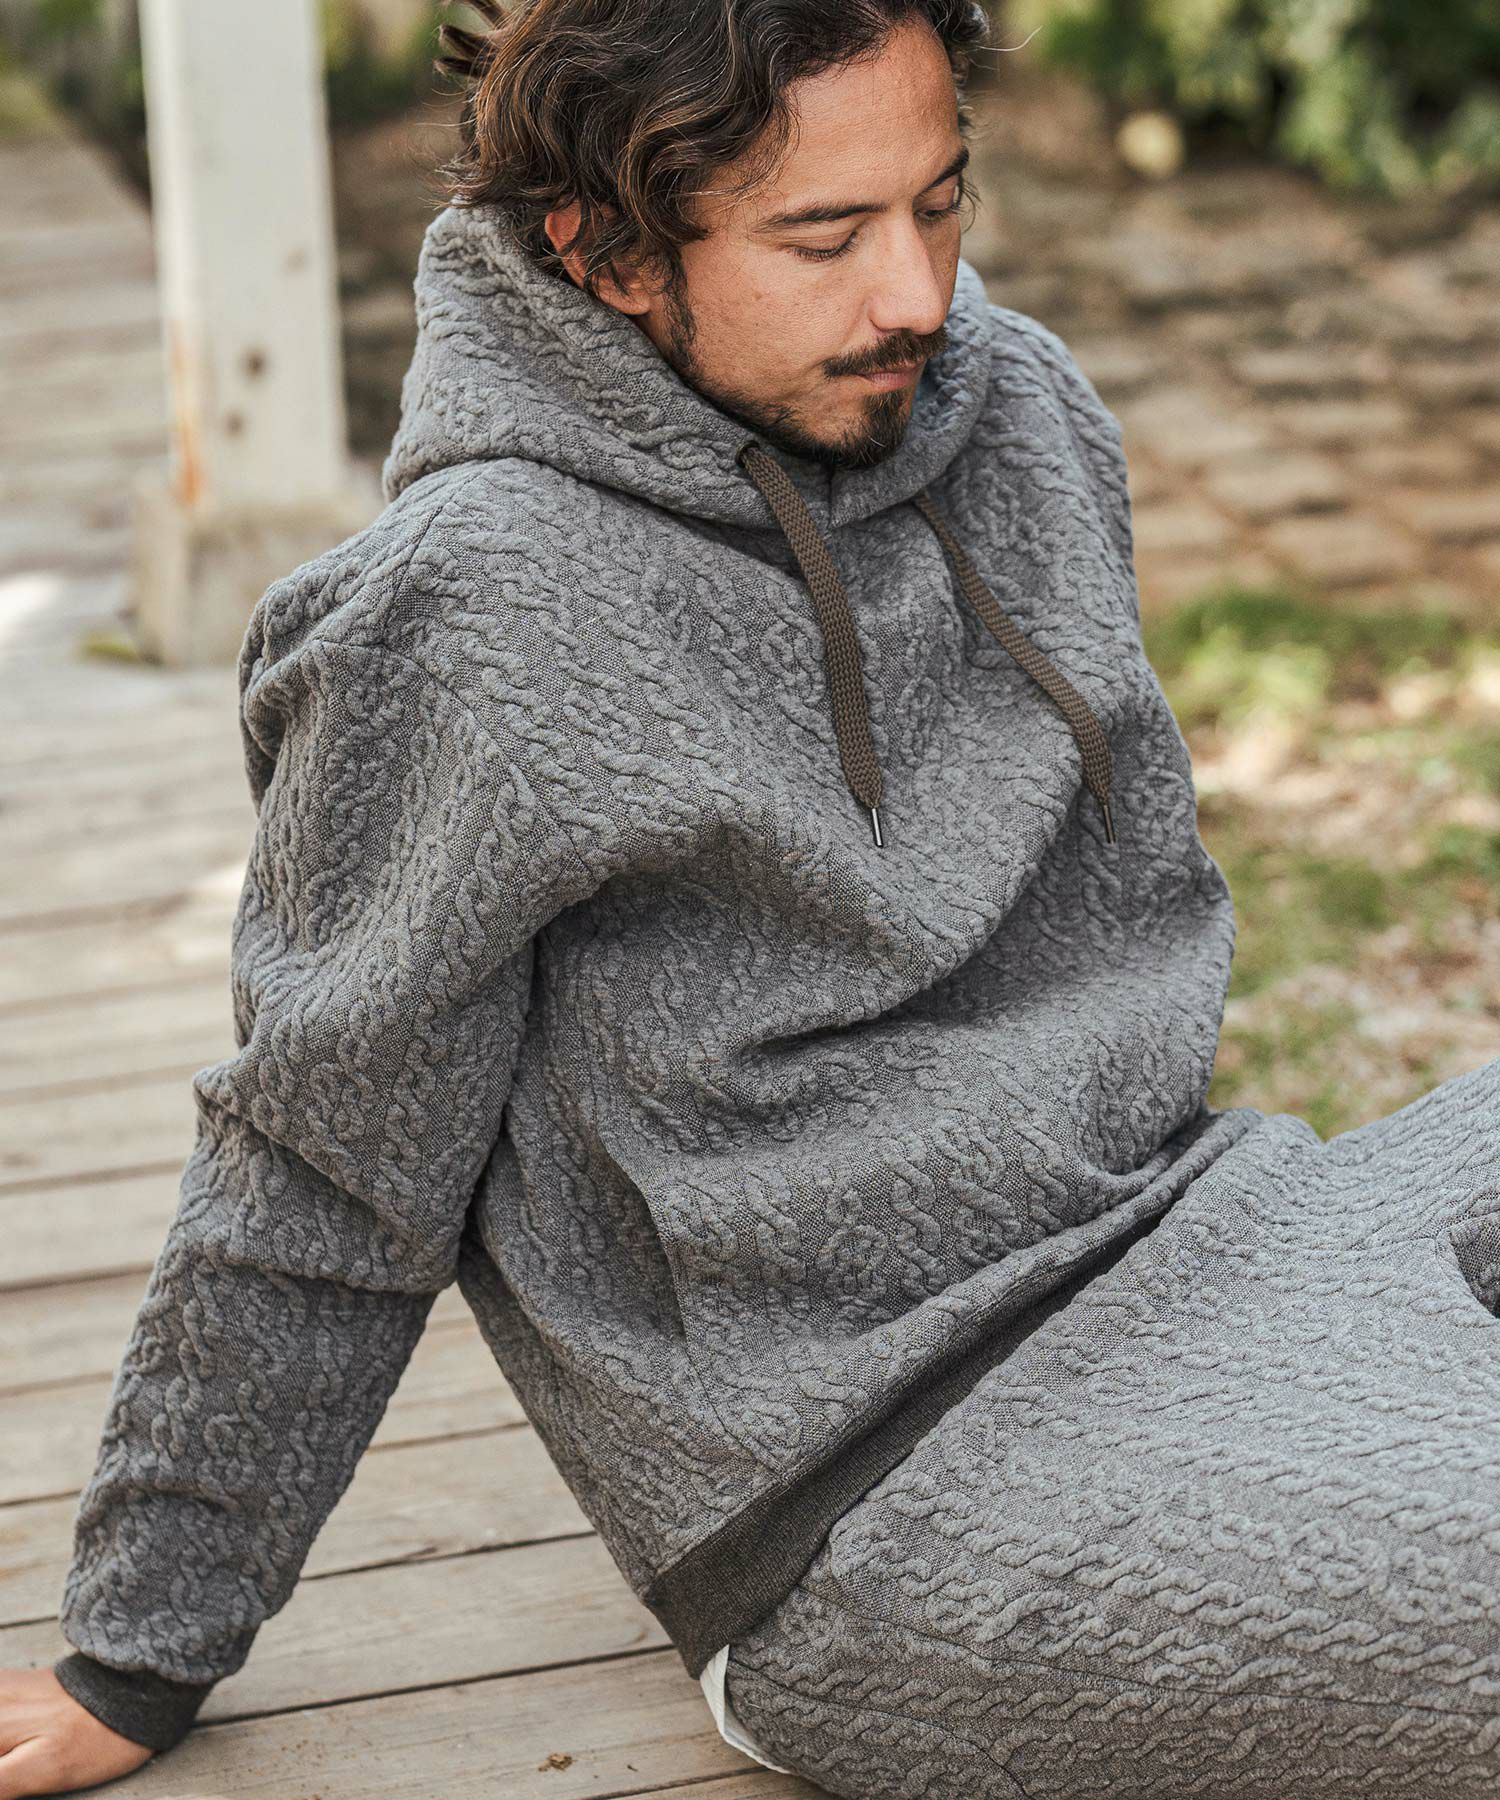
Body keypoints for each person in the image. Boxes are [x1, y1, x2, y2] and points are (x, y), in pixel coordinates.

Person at [5, 0, 1500, 1794]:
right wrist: (136, 1653)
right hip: (880, 1499)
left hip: (1207, 1238)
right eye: (823, 237)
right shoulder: (469, 616)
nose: (916, 294)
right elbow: (323, 1164)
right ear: (609, 249)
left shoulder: (1019, 410)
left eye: (938, 202)